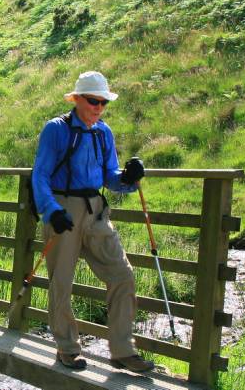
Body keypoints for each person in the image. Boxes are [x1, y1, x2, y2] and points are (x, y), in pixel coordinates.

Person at [31, 71, 152, 372]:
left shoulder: (103, 133)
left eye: (104, 102)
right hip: (63, 209)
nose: (99, 107)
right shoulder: (56, 129)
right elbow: (40, 174)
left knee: (122, 275)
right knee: (61, 282)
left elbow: (110, 177)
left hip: (96, 210)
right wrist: (51, 210)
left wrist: (128, 178)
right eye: (94, 101)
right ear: (77, 100)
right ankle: (67, 349)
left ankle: (123, 350)